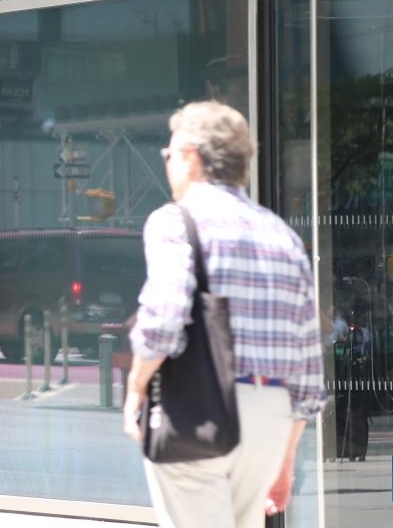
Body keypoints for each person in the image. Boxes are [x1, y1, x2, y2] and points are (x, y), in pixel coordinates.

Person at [121, 101, 327, 527]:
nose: (166, 163)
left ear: (191, 157)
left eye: (169, 154)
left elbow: (164, 318)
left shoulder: (175, 221)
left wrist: (136, 386)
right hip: (270, 417)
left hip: (198, 409)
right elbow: (309, 368)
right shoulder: (283, 236)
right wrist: (286, 456)